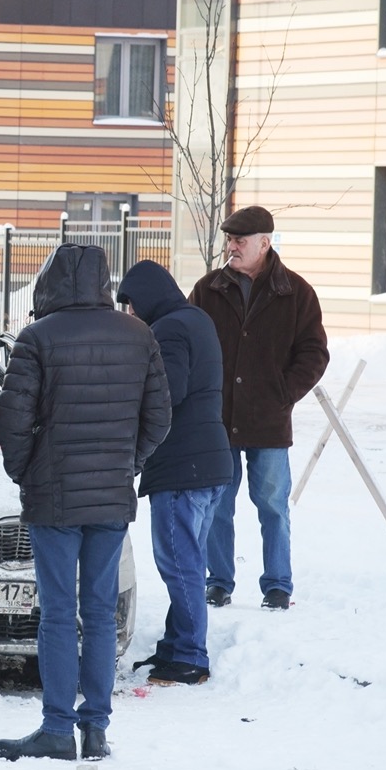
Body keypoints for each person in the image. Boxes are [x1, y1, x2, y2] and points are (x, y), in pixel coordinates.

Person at [0, 244, 170, 761]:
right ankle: (95, 728)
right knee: (98, 612)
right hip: (111, 497)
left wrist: (26, 472)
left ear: (49, 283)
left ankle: (55, 727)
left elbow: (14, 420)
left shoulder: (37, 338)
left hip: (55, 499)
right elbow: (159, 418)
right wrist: (125, 463)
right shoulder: (140, 336)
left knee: (57, 615)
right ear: (103, 282)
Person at [189, 206, 329, 611]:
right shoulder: (207, 289)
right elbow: (187, 343)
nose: (232, 246)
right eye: (230, 239)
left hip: (268, 421)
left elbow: (314, 353)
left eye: (240, 241)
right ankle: (218, 581)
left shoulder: (296, 292)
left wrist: (282, 393)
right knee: (217, 504)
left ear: (264, 243)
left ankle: (277, 585)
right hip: (218, 419)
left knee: (272, 506)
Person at [118, 260, 233, 686]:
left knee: (178, 563)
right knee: (189, 559)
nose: (130, 315)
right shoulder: (196, 319)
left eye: (130, 306)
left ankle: (188, 656)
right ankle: (176, 644)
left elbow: (168, 393)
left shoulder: (167, 330)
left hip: (183, 466)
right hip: (210, 462)